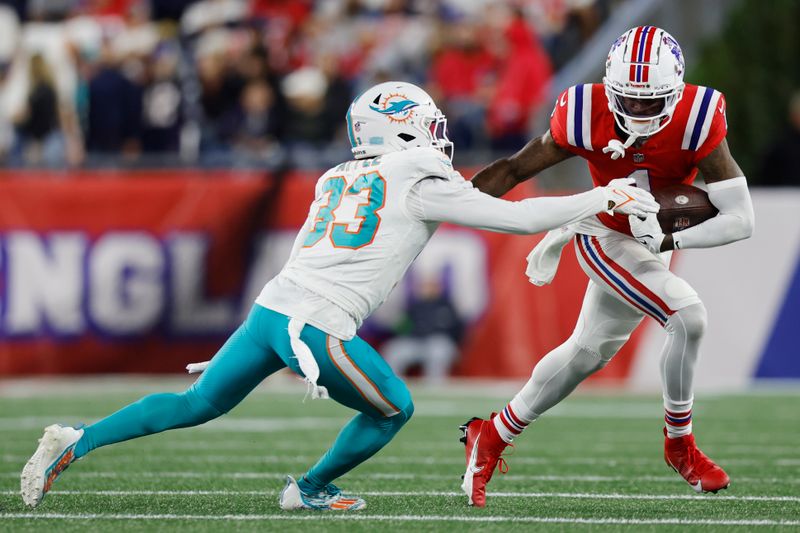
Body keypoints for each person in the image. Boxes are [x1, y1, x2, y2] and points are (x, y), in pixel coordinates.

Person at [20, 81, 657, 512]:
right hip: (315, 319)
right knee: (393, 409)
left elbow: (305, 257)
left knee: (197, 402)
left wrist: (247, 340)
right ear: (405, 128)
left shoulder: (337, 174)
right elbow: (515, 219)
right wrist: (604, 196)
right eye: (427, 123)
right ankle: (310, 489)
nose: (437, 133)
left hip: (275, 307)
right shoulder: (418, 173)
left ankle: (79, 439)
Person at [459, 26, 755, 507]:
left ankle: (490, 434)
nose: (636, 111)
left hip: (650, 241)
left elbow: (741, 220)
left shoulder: (698, 117)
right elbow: (514, 170)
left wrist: (668, 236)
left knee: (584, 355)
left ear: (675, 93)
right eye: (627, 100)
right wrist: (450, 207)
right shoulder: (582, 110)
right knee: (688, 316)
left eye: (649, 101)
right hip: (602, 232)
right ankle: (680, 444)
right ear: (608, 87)